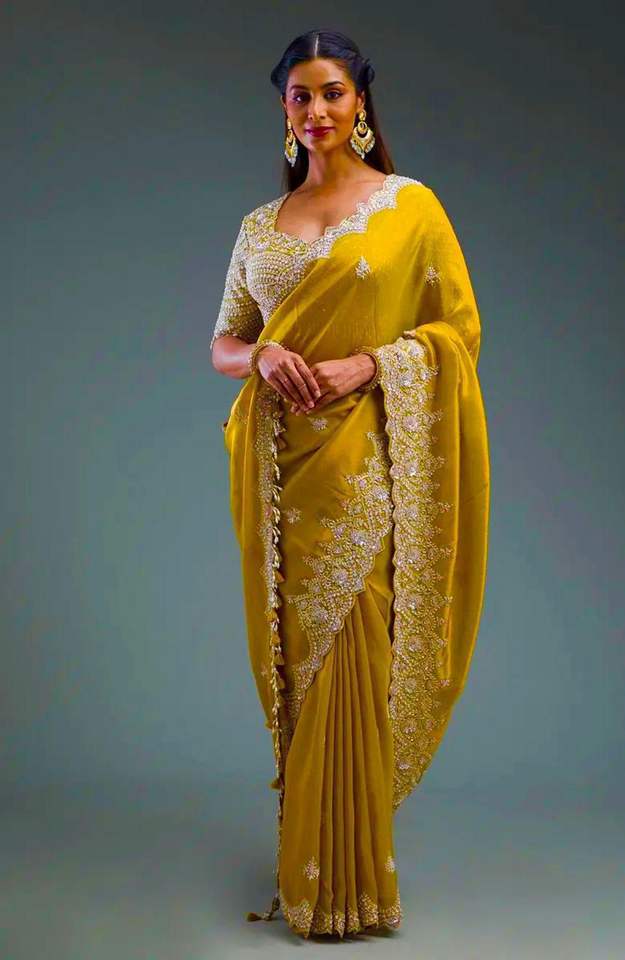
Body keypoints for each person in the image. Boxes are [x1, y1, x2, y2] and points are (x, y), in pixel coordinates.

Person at [210, 28, 490, 940]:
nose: (317, 109)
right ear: (283, 109)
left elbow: (457, 333)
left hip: (364, 468)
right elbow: (222, 343)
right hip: (279, 475)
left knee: (353, 655)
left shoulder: (408, 207)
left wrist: (369, 364)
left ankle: (357, 885)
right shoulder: (260, 225)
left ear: (360, 100)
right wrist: (263, 355)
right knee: (299, 663)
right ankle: (312, 880)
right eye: (300, 95)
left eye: (332, 92)